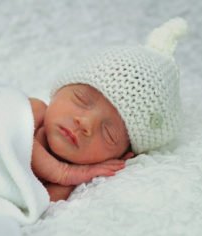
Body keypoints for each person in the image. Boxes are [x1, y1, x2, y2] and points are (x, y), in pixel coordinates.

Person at [28, 17, 189, 201]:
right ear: (58, 91)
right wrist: (63, 173)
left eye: (108, 133)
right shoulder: (32, 110)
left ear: (121, 157)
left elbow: (25, 208)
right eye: (81, 99)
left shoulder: (64, 187)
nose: (85, 123)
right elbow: (12, 137)